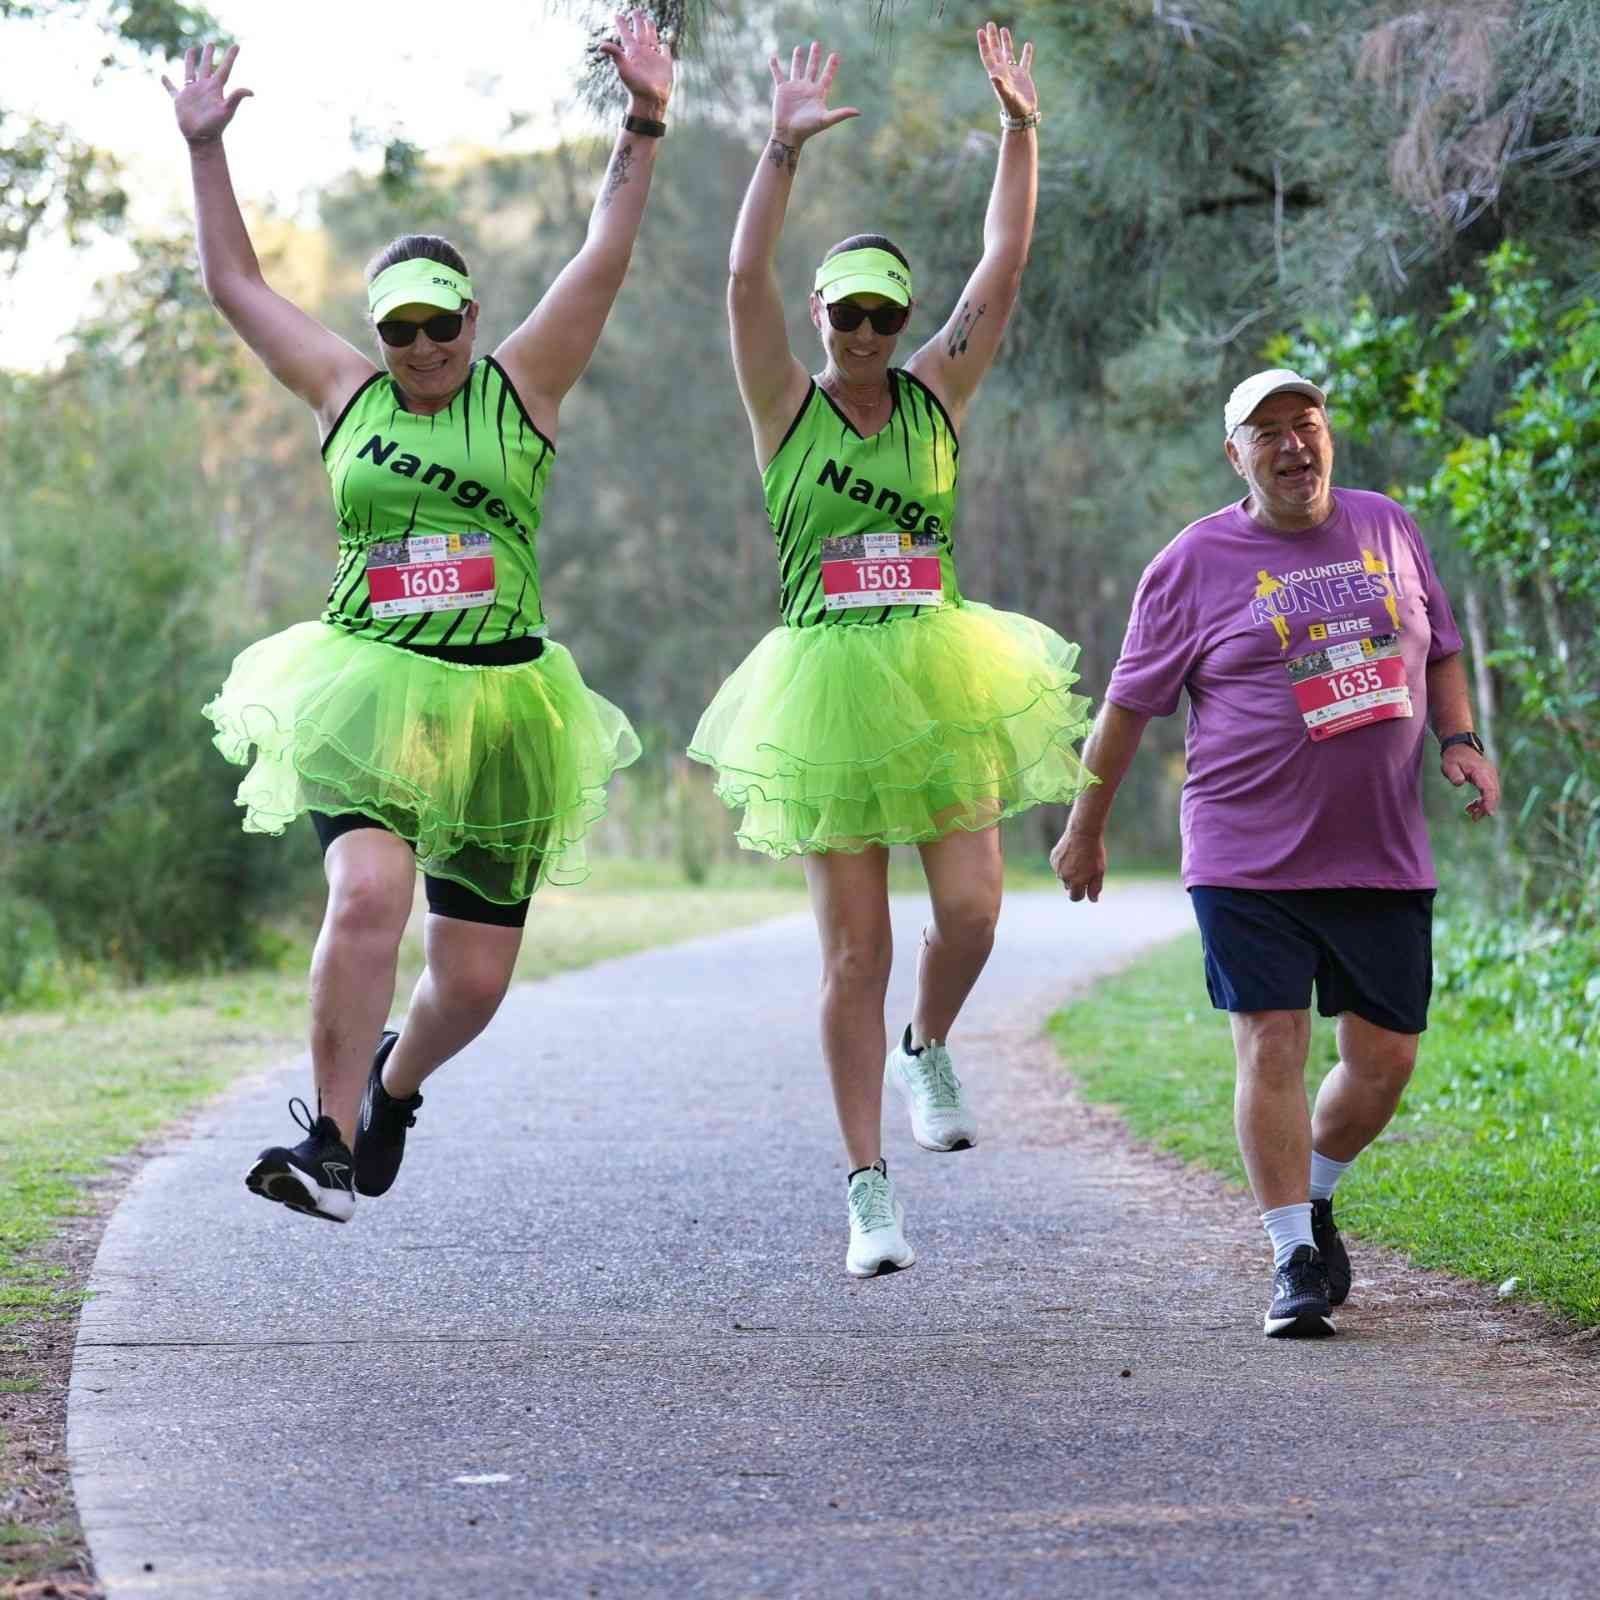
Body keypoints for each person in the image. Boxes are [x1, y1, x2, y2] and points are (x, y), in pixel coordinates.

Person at [165, 18, 674, 1222]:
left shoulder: (522, 389)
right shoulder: (344, 391)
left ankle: (395, 1083)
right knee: (367, 895)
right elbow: (235, 284)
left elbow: (604, 252)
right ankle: (329, 1142)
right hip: (371, 689)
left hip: (501, 709)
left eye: (441, 323)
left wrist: (643, 120)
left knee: (476, 979)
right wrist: (203, 151)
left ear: (472, 317)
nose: (422, 347)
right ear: (377, 328)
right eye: (400, 327)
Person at [690, 29, 1095, 1277]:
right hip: (823, 686)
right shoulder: (785, 406)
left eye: (883, 311)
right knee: (852, 949)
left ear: (902, 318)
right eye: (845, 310)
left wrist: (1021, 130)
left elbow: (1004, 260)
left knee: (972, 910)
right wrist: (779, 148)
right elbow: (740, 277)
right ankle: (868, 1189)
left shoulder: (934, 395)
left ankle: (930, 1042)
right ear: (821, 316)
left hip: (935, 670)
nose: (864, 328)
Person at [1050, 368, 1501, 1337]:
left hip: (1378, 847)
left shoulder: (1388, 525)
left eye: (1306, 425)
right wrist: (1086, 825)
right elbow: (1128, 708)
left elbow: (1441, 648)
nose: (1293, 445)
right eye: (1268, 433)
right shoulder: (1192, 561)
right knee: (1271, 1040)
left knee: (1385, 1059)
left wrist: (1458, 740)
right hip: (1244, 849)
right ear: (1234, 455)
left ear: (1327, 434)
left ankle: (1318, 1193)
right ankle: (1292, 1254)